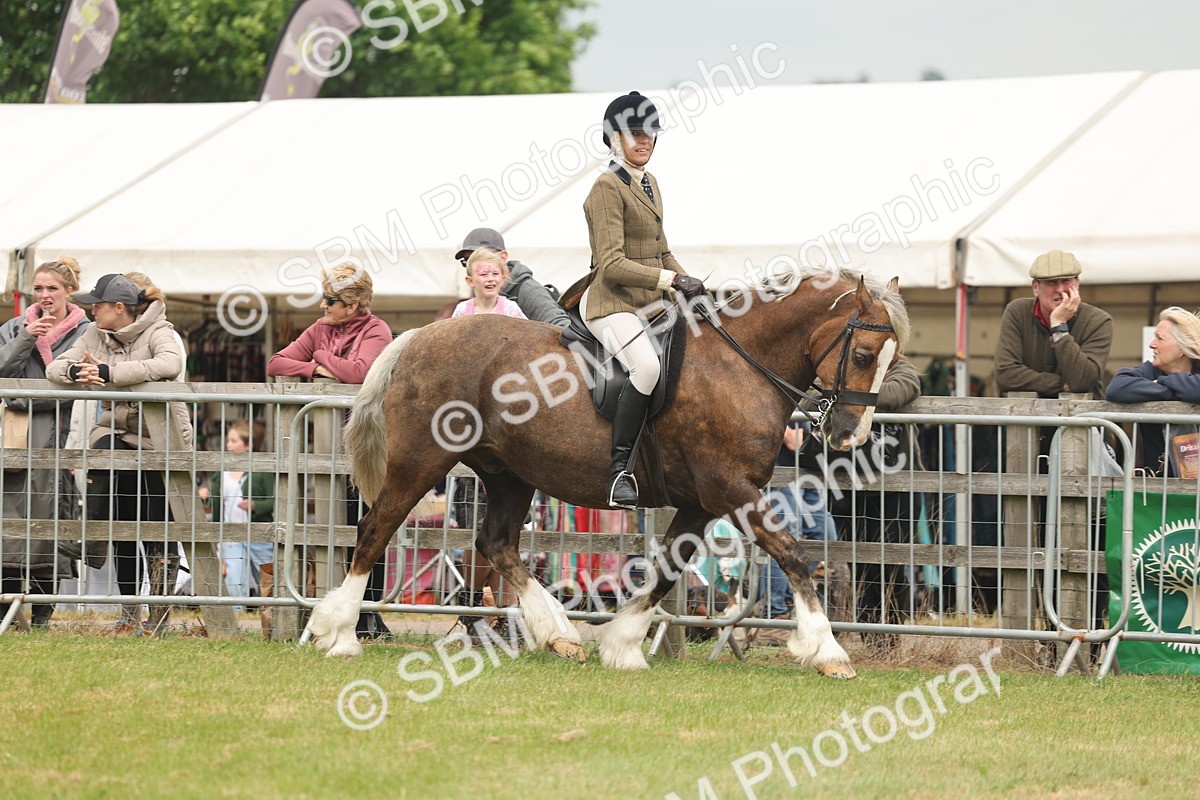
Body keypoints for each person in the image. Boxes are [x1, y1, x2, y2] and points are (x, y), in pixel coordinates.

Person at [575, 90, 706, 509]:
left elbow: (661, 248)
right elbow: (611, 264)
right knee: (647, 367)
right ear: (614, 138)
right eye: (635, 132)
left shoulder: (650, 183)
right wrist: (670, 280)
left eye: (650, 132)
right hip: (611, 303)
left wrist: (691, 284)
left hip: (649, 303)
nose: (645, 139)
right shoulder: (605, 187)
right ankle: (620, 472)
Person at [46, 273, 191, 636]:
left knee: (157, 531)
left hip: (161, 442)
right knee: (123, 529)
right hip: (117, 436)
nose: (91, 310)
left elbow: (169, 365)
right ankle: (128, 611)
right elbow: (55, 366)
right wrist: (78, 370)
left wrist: (110, 372)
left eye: (98, 304)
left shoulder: (161, 331)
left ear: (119, 308)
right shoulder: (95, 333)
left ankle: (157, 617)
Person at [267, 263, 393, 640]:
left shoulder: (377, 329)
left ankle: (369, 613)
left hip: (369, 440)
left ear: (353, 305)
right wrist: (315, 366)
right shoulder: (320, 328)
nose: (322, 305)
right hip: (327, 443)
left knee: (370, 525)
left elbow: (359, 373)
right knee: (331, 523)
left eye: (331, 300)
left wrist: (322, 359)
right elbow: (277, 362)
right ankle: (333, 607)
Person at [0, 258, 92, 628]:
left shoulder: (87, 330)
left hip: (64, 433)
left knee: (52, 521)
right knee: (9, 521)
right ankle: (9, 611)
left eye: (52, 288)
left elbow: (78, 381)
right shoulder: (12, 327)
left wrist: (28, 395)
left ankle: (42, 615)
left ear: (69, 290)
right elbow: (5, 372)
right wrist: (28, 336)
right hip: (16, 435)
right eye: (38, 288)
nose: (44, 295)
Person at [755, 422, 838, 646]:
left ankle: (788, 604)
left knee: (826, 537)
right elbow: (793, 441)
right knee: (783, 541)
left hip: (811, 470)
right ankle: (774, 615)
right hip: (780, 469)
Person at [994, 249, 1113, 398]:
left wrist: (1059, 326)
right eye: (1051, 282)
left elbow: (1083, 381)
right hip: (1028, 417)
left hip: (1081, 418)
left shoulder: (1098, 320)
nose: (1060, 289)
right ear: (1035, 287)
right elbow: (1005, 375)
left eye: (1066, 281)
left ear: (1077, 284)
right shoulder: (1017, 311)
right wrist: (1061, 384)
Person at [1106, 307, 1200, 476]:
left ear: (1182, 347)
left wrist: (1162, 383)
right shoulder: (1150, 370)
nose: (1152, 344)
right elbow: (1116, 388)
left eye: (1160, 338)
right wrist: (1175, 391)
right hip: (1158, 487)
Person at [198, 420, 276, 614]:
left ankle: (273, 615)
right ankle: (237, 618)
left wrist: (255, 505)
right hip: (231, 536)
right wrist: (205, 495)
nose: (228, 445)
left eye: (233, 441)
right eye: (228, 441)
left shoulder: (262, 470)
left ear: (248, 445)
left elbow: (275, 501)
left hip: (259, 535)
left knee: (268, 580)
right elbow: (216, 503)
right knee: (234, 580)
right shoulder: (221, 471)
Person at [455, 227, 568, 327]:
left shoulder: (528, 289)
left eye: (485, 256)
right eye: (468, 260)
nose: (477, 263)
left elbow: (561, 327)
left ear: (503, 257)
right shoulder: (472, 298)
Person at [453, 249, 528, 319]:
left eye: (495, 273)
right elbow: (451, 332)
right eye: (484, 274)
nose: (490, 279)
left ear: (502, 279)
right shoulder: (462, 310)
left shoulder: (510, 309)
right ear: (470, 281)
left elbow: (526, 331)